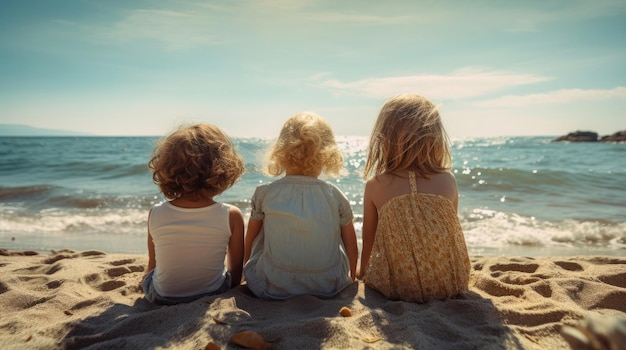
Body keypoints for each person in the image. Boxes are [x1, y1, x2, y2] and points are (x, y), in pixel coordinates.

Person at [359, 94, 471, 303]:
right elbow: (450, 235)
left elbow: (369, 242)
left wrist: (363, 273)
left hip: (398, 287)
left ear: (385, 138)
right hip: (450, 283)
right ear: (434, 137)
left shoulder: (376, 185)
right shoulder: (448, 180)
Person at [243, 112, 358, 300]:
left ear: (281, 152)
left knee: (263, 226)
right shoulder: (335, 195)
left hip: (275, 284)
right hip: (328, 285)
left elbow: (251, 237)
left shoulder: (265, 193)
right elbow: (351, 244)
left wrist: (245, 265)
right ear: (327, 155)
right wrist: (352, 275)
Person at [142, 124, 246, 305]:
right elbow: (236, 272)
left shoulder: (156, 213)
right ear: (223, 169)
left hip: (162, 297)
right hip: (213, 293)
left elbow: (153, 264)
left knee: (150, 276)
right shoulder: (231, 215)